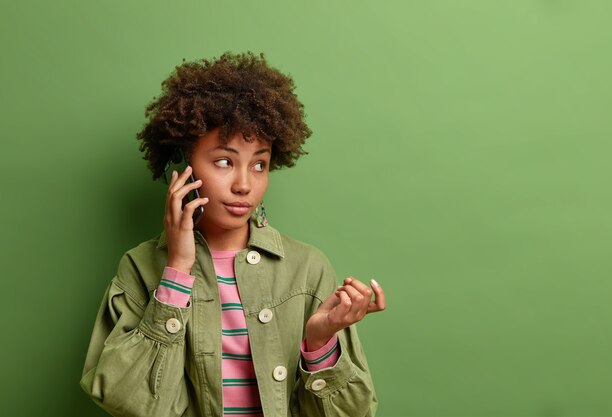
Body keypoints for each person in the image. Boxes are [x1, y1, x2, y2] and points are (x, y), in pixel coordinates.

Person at [80, 51, 386, 417]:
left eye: (259, 164)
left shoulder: (309, 269)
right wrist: (177, 270)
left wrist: (319, 344)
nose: (244, 185)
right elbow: (123, 399)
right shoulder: (141, 267)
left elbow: (353, 413)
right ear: (184, 166)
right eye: (224, 161)